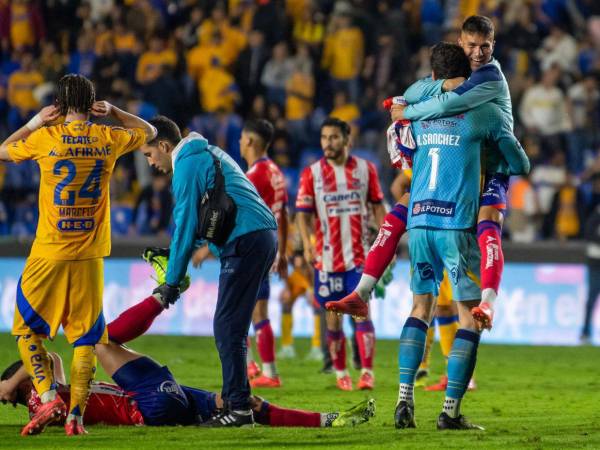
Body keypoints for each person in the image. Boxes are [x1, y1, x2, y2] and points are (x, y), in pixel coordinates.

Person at [330, 15, 519, 332]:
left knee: (488, 222)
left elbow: (442, 105)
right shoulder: (455, 74)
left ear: (493, 46)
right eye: (472, 45)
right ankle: (362, 291)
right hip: (458, 164)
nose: (477, 52)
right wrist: (440, 86)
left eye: (484, 46)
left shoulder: (489, 76)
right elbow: (416, 89)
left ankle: (488, 299)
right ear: (461, 42)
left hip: (492, 166)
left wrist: (406, 111)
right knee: (403, 206)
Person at [0, 276, 376, 429]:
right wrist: (11, 384)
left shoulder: (47, 397)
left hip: (156, 406)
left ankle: (328, 420)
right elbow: (49, 358)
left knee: (242, 404)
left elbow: (49, 361)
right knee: (98, 341)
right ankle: (165, 290)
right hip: (150, 398)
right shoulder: (44, 401)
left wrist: (10, 382)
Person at [0, 74, 156, 436]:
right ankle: (75, 418)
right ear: (92, 104)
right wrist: (115, 111)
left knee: (26, 331)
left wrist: (35, 121)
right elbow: (149, 131)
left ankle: (48, 395)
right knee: (87, 337)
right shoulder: (108, 138)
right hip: (89, 256)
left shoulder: (45, 138)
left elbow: (3, 150)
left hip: (49, 253)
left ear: (60, 104)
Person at [390, 43, 529, 430]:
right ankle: (450, 411)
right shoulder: (483, 112)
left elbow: (404, 131)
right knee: (470, 317)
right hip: (456, 225)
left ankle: (404, 400)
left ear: (433, 76)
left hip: (417, 223)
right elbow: (520, 164)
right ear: (467, 76)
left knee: (420, 308)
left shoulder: (416, 116)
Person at [140, 116, 277, 427]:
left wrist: (171, 282)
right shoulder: (209, 153)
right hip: (259, 235)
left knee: (227, 325)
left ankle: (238, 408)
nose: (150, 163)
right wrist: (189, 252)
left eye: (149, 154)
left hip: (248, 238)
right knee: (233, 325)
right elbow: (219, 212)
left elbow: (185, 225)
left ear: (164, 146)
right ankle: (235, 402)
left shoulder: (186, 165)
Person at [296, 117, 386, 391]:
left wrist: (385, 242)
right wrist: (307, 245)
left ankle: (367, 372)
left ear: (348, 140)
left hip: (358, 258)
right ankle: (340, 372)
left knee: (362, 315)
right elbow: (303, 213)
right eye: (324, 137)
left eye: (334, 137)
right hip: (326, 260)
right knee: (332, 319)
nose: (328, 142)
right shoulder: (312, 173)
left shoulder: (365, 169)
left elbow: (378, 207)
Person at [239, 118, 289, 388]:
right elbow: (285, 212)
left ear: (249, 141)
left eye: (241, 139)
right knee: (251, 311)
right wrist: (283, 252)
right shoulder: (275, 172)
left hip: (255, 251)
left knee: (255, 312)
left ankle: (268, 372)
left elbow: (243, 215)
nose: (239, 143)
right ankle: (252, 365)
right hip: (270, 250)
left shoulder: (254, 176)